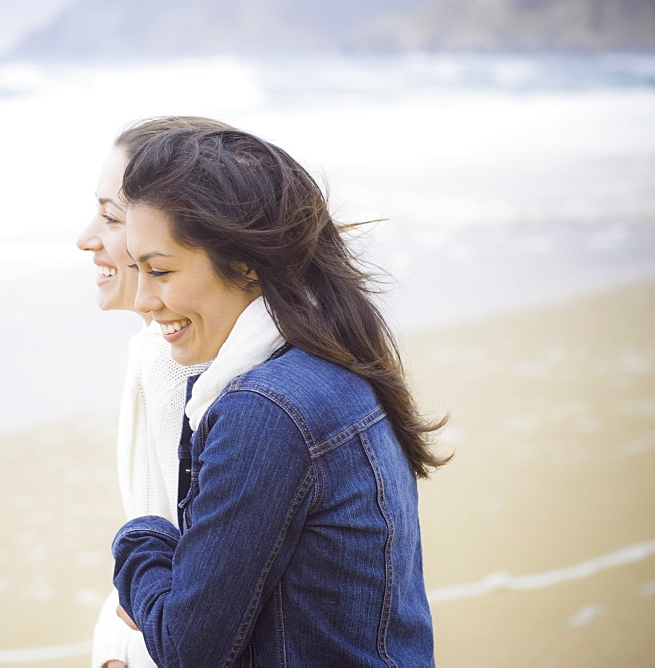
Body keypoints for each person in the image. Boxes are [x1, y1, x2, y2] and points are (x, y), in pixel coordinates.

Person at [112, 127, 449, 666]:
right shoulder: (332, 363)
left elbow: (188, 648)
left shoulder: (266, 411)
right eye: (136, 270)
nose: (145, 299)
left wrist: (139, 541)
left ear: (246, 264)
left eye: (160, 271)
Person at [78, 116, 280, 668]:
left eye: (111, 217)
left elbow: (172, 578)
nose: (86, 238)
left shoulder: (185, 366)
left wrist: (120, 647)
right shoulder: (169, 349)